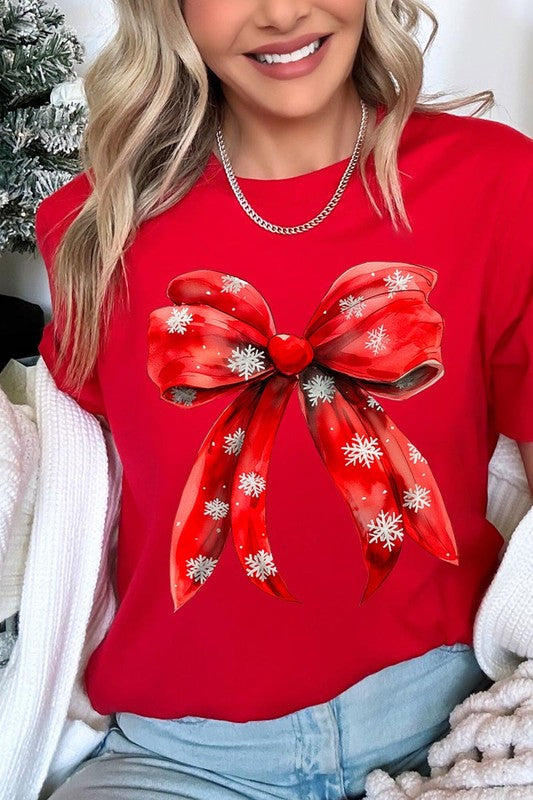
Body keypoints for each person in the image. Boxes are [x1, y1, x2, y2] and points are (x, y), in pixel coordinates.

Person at [36, 1, 533, 798]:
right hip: (177, 759)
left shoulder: (498, 183)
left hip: (452, 729)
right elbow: (57, 478)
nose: (280, 12)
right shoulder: (95, 229)